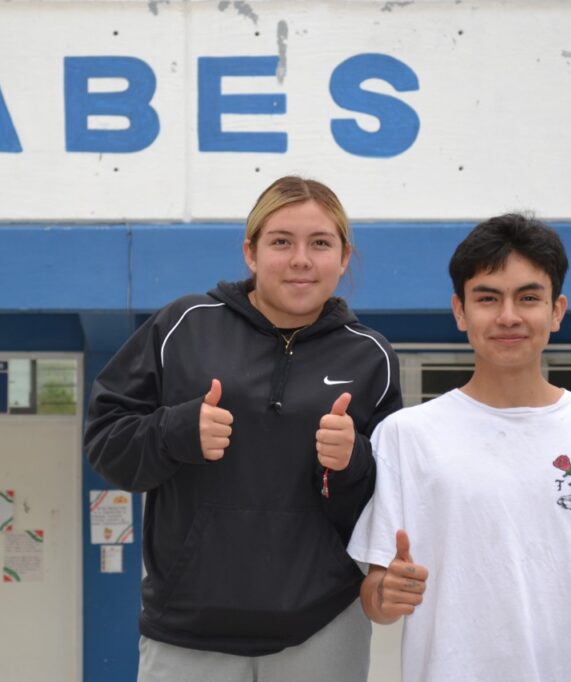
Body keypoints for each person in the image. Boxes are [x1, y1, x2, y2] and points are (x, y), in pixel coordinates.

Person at [84, 176, 403, 682]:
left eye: (320, 243)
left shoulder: (371, 356)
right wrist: (176, 432)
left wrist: (352, 462)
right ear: (250, 253)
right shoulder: (182, 326)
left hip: (322, 627)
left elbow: (383, 505)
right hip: (187, 632)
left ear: (344, 258)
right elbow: (106, 443)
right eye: (281, 242)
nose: (301, 259)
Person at [347, 213, 571, 681]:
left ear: (557, 310)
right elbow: (377, 601)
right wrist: (385, 596)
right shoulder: (406, 435)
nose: (508, 316)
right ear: (460, 311)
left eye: (528, 298)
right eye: (487, 298)